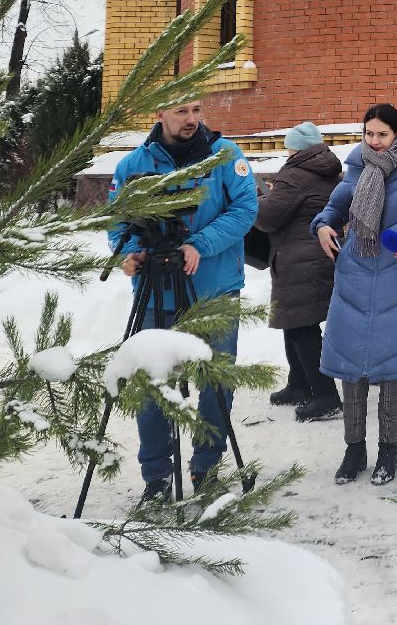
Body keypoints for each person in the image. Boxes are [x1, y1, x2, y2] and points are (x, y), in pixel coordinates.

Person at [108, 100, 257, 501]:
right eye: (180, 111)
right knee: (153, 385)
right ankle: (156, 478)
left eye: (196, 109)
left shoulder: (225, 155)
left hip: (214, 289)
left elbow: (246, 208)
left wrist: (198, 245)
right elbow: (119, 221)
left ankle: (206, 470)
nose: (192, 119)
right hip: (156, 293)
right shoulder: (132, 165)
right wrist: (130, 253)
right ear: (158, 113)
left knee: (215, 384)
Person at [313, 105, 397, 485]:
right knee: (351, 367)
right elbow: (333, 207)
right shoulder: (357, 165)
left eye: (382, 135)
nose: (374, 142)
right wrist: (323, 226)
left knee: (392, 370)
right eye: (368, 134)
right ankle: (354, 448)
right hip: (354, 274)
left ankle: (388, 451)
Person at [253, 121, 343, 423]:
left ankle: (325, 394)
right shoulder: (326, 170)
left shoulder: (295, 174)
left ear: (296, 148)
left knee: (302, 327)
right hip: (316, 255)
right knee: (295, 322)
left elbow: (268, 217)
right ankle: (299, 384)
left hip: (299, 256)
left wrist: (256, 199)